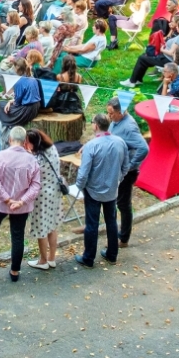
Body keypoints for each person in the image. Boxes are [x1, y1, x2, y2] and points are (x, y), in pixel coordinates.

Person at [0, 126, 40, 281]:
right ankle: (14, 271)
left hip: (0, 202)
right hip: (21, 206)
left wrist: (6, 199)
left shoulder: (0, 156)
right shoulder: (32, 160)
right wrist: (21, 202)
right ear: (25, 141)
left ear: (10, 139)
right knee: (17, 236)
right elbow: (35, 185)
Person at [72, 114, 125, 267]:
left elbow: (83, 171)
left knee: (92, 224)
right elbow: (126, 165)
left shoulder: (91, 146)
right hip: (111, 190)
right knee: (112, 222)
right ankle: (112, 255)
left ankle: (88, 258)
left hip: (93, 191)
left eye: (92, 122)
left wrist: (79, 186)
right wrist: (118, 179)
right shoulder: (120, 142)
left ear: (95, 126)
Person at [107, 99, 150, 246]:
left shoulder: (129, 127)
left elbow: (144, 148)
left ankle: (123, 238)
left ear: (121, 112)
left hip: (126, 172)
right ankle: (113, 233)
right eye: (108, 113)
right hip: (115, 169)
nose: (109, 116)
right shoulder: (116, 121)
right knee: (112, 201)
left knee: (123, 204)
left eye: (111, 113)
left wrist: (130, 166)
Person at [26, 128, 66, 271]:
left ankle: (42, 260)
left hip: (41, 197)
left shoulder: (36, 159)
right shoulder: (53, 149)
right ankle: (52, 258)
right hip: (55, 193)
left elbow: (29, 178)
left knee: (41, 229)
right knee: (52, 226)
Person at [0, 59, 45, 126]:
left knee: (0, 104)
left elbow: (17, 102)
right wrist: (10, 101)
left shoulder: (19, 82)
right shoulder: (32, 77)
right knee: (5, 104)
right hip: (36, 107)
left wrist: (10, 103)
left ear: (16, 68)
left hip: (27, 110)